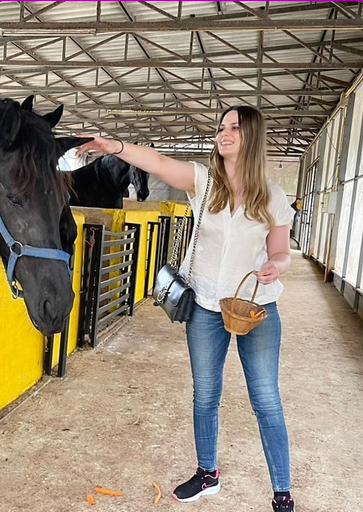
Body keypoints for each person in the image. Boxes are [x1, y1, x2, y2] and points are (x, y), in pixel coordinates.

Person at [77, 105, 296, 512]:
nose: (224, 134)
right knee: (205, 394)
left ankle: (282, 491)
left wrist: (274, 266)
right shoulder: (203, 182)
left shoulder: (274, 196)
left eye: (234, 128)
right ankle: (207, 473)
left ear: (253, 137)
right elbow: (158, 162)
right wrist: (116, 146)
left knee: (266, 399)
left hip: (257, 307)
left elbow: (281, 252)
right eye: (221, 127)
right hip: (207, 306)